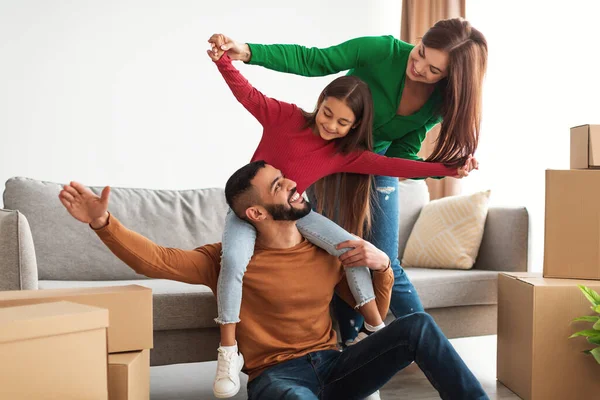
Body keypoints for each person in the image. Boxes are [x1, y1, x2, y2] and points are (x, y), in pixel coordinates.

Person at [57, 161, 489, 400]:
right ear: (257, 214)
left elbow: (368, 303)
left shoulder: (327, 251)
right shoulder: (224, 261)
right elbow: (156, 260)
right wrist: (103, 223)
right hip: (278, 380)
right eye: (280, 187)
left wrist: (382, 265)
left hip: (336, 364)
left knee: (419, 327)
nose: (294, 186)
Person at [206, 36, 476, 397]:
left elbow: (392, 163)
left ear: (354, 129)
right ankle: (227, 352)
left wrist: (448, 170)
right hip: (250, 213)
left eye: (342, 123)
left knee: (350, 247)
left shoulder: (342, 154)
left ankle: (375, 330)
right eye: (327, 114)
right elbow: (249, 94)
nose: (330, 125)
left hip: (296, 215)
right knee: (234, 259)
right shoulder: (285, 116)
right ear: (319, 105)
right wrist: (227, 61)